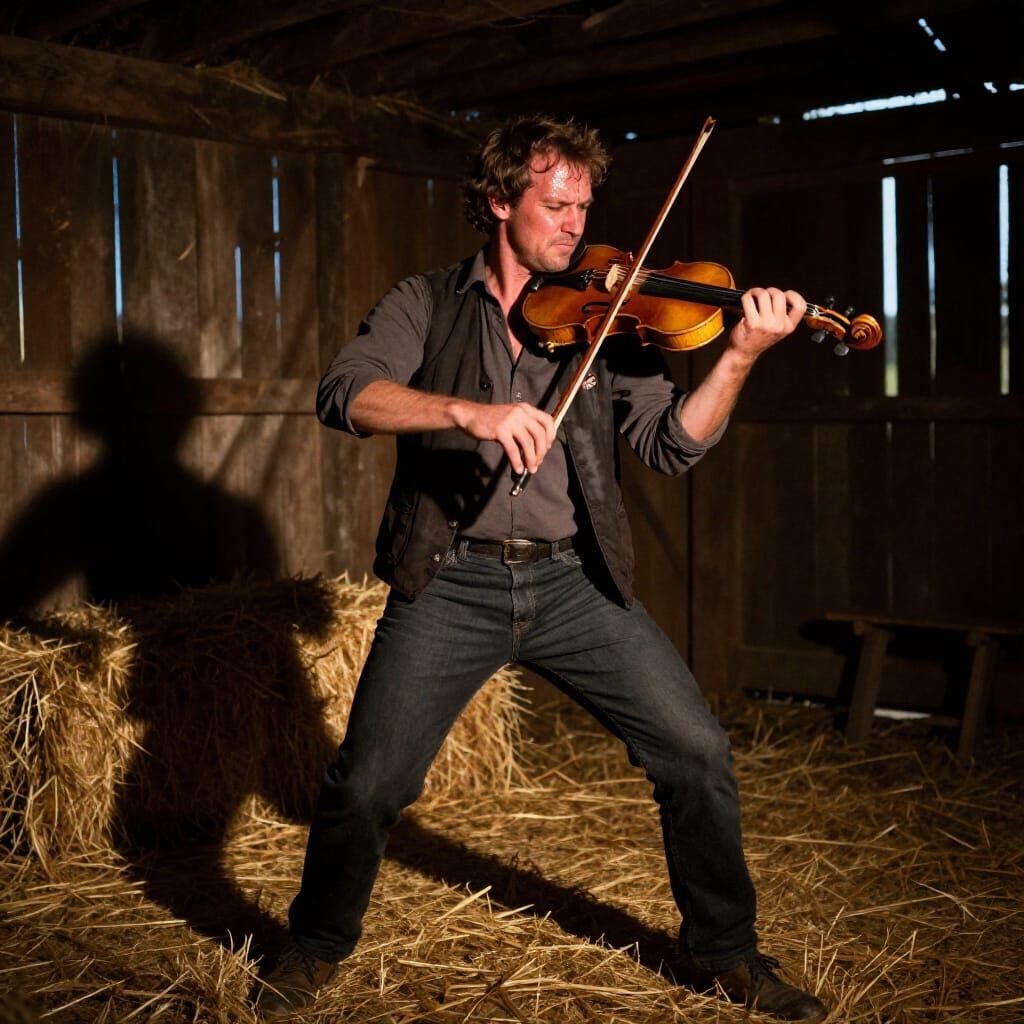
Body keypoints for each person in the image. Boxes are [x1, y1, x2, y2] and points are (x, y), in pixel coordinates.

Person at [255, 114, 826, 1023]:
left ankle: (727, 956)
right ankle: (315, 948)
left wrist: (740, 357)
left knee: (696, 752)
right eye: (556, 206)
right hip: (451, 580)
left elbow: (671, 446)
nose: (575, 227)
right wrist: (470, 413)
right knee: (366, 785)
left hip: (574, 582)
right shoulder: (428, 303)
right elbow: (346, 391)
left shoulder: (614, 315)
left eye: (584, 207)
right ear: (496, 202)